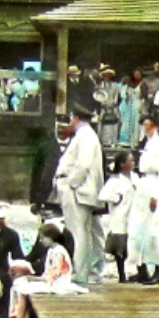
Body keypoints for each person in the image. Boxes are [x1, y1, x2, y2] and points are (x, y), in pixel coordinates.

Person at [0, 223, 86, 318]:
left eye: (43, 238)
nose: (41, 241)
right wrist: (30, 277)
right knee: (17, 285)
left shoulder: (59, 252)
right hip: (51, 282)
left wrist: (33, 278)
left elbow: (55, 274)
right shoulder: (51, 250)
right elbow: (47, 274)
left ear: (51, 237)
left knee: (23, 288)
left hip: (58, 284)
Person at [55, 104, 105, 286]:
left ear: (75, 118)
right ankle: (83, 270)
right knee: (82, 232)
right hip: (79, 190)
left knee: (77, 233)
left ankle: (79, 271)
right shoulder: (85, 136)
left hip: (78, 191)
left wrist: (70, 184)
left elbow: (83, 165)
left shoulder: (85, 136)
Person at [128, 115, 159, 284]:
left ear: (155, 126)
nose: (145, 129)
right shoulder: (146, 144)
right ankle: (141, 268)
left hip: (156, 185)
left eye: (148, 125)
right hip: (144, 185)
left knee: (156, 230)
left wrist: (156, 194)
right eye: (144, 125)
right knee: (140, 230)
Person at [98, 150, 138, 284]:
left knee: (133, 244)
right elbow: (102, 195)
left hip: (133, 214)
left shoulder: (135, 177)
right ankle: (121, 274)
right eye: (130, 161)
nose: (133, 163)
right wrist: (116, 198)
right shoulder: (115, 180)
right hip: (119, 215)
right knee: (120, 246)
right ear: (122, 164)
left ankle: (137, 271)